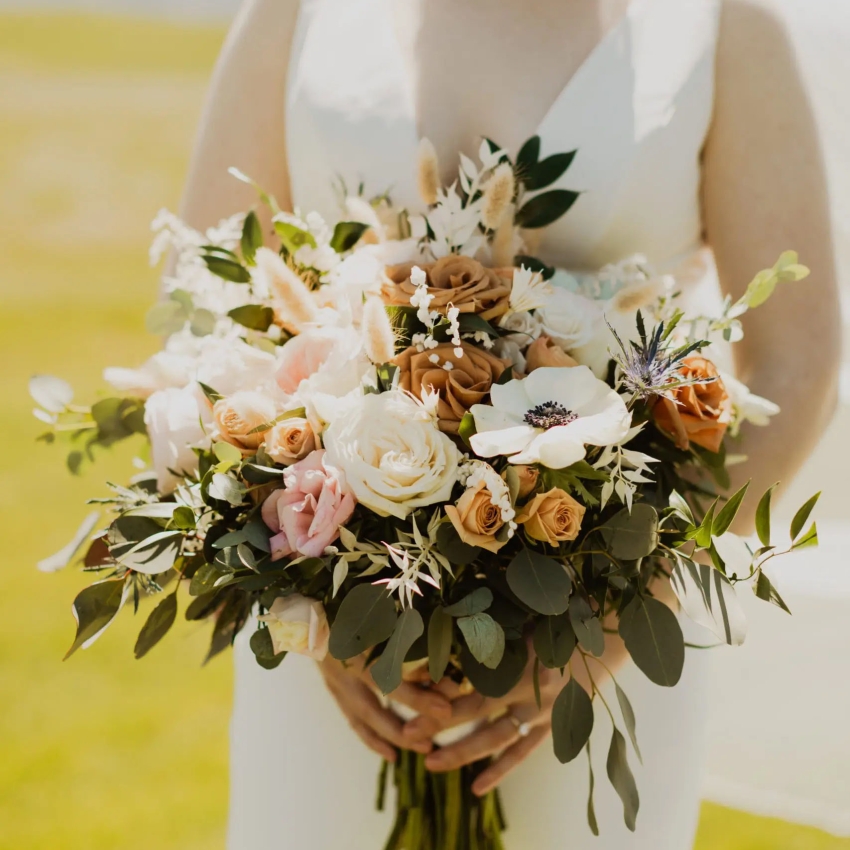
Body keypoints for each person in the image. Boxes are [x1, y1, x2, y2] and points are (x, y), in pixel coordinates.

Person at [176, 1, 841, 847]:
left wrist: (615, 627)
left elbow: (798, 364)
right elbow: (198, 321)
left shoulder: (720, 26)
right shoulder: (296, 13)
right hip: (332, 658)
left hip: (598, 650)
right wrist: (299, 611)